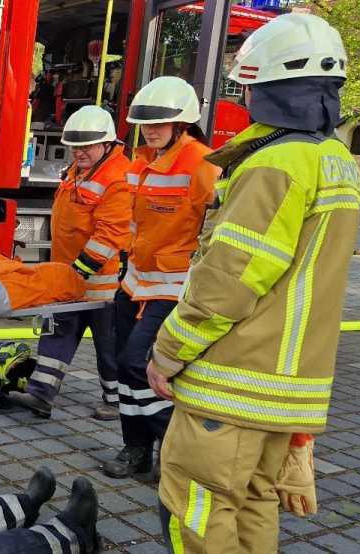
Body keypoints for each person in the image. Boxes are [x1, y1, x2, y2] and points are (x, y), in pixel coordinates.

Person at [148, 14, 357, 551]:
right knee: (255, 502)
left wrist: (168, 353)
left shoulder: (276, 164)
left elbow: (229, 279)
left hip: (234, 381)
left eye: (249, 87)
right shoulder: (334, 159)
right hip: (286, 386)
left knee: (198, 506)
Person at [101, 76, 219, 479]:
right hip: (134, 282)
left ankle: (172, 451)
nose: (150, 130)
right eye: (145, 124)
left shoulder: (202, 163)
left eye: (159, 123)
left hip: (172, 287)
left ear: (182, 124)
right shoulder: (141, 164)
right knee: (123, 366)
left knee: (139, 362)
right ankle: (135, 450)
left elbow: (219, 220)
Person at [13, 105, 131, 421]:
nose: (79, 152)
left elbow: (110, 234)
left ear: (107, 145)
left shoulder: (117, 179)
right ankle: (40, 395)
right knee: (56, 333)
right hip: (69, 276)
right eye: (75, 146)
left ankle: (116, 401)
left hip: (102, 285)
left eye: (87, 146)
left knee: (109, 346)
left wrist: (79, 271)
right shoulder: (79, 171)